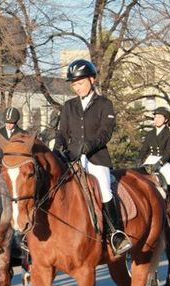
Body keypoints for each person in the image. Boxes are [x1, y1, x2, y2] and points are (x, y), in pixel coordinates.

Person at [54, 59, 132, 255]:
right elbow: (62, 132)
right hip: (71, 157)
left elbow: (106, 132)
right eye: (74, 84)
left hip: (96, 158)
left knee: (105, 189)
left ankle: (116, 234)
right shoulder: (68, 106)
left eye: (80, 83)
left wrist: (87, 146)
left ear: (91, 79)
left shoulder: (105, 104)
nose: (77, 87)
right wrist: (57, 148)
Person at [139, 106, 170, 217]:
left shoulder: (169, 135)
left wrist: (159, 163)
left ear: (165, 120)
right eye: (155, 117)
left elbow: (168, 152)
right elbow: (144, 150)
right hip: (150, 160)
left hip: (163, 162)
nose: (156, 119)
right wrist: (139, 160)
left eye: (159, 117)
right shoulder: (149, 134)